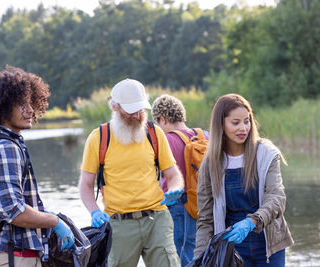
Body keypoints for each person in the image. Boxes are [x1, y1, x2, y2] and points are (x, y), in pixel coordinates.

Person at [0, 65, 75, 267]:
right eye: (21, 104)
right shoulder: (4, 147)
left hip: (4, 256)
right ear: (2, 106)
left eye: (30, 103)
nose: (30, 110)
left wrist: (44, 215)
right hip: (8, 256)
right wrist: (55, 222)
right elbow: (13, 211)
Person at [79, 78, 184, 267]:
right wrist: (94, 211)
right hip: (118, 224)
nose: (137, 114)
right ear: (115, 107)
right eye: (131, 109)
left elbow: (173, 174)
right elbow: (86, 185)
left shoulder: (155, 133)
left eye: (141, 109)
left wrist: (175, 189)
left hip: (157, 219)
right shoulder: (99, 138)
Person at [194, 94, 294, 266]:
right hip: (233, 247)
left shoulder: (266, 154)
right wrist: (200, 259)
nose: (243, 128)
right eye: (235, 122)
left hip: (269, 245)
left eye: (247, 121)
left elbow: (277, 198)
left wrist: (251, 221)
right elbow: (205, 219)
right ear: (221, 124)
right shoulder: (210, 164)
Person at [151, 94, 208, 266]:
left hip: (178, 204)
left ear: (162, 119)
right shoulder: (205, 136)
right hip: (204, 203)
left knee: (177, 253)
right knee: (199, 250)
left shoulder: (165, 140)